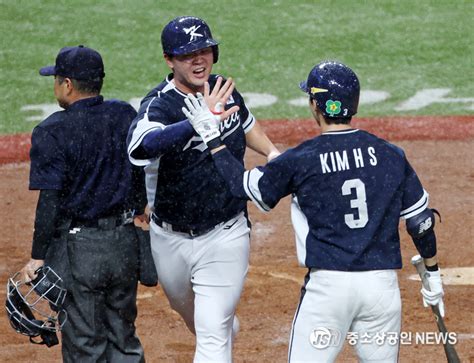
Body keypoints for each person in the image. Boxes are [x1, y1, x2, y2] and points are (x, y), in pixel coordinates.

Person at [183, 60, 445, 362]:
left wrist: (213, 139)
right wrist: (433, 273)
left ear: (314, 105)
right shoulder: (391, 154)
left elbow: (240, 185)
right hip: (380, 289)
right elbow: (421, 223)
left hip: (328, 290)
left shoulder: (301, 158)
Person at [127, 16, 280, 362]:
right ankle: (222, 325)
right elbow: (139, 147)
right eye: (187, 54)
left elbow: (247, 125)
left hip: (226, 231)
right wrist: (194, 123)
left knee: (211, 333)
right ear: (169, 60)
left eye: (205, 50)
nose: (199, 60)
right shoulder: (160, 105)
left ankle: (220, 326)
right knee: (194, 317)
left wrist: (272, 153)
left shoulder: (223, 89)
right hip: (170, 237)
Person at [20, 45, 147, 362]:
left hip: (82, 252)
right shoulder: (123, 115)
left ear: (67, 85)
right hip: (124, 245)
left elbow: (49, 201)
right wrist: (140, 207)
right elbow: (138, 172)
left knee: (84, 345)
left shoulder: (52, 131)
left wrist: (38, 257)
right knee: (123, 337)